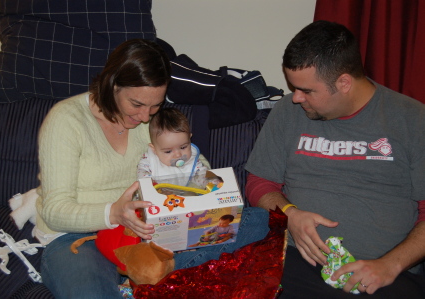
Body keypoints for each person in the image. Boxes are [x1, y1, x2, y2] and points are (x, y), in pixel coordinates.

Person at [245, 20, 425, 298]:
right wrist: (289, 213)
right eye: (295, 87)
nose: (296, 98)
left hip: (381, 274)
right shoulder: (287, 113)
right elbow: (259, 182)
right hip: (296, 262)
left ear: (344, 83)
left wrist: (390, 265)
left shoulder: (412, 120)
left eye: (307, 90)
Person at [35, 39, 171, 299]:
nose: (146, 117)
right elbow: (54, 211)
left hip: (140, 231)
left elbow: (186, 158)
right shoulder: (66, 120)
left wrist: (197, 181)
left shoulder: (150, 120)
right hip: (74, 237)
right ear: (112, 84)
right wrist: (114, 214)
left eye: (155, 105)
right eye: (137, 104)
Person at [137, 107, 209, 187]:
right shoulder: (150, 160)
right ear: (154, 149)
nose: (178, 155)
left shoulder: (192, 160)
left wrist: (209, 183)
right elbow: (142, 175)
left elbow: (203, 174)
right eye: (168, 151)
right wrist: (152, 186)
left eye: (183, 147)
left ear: (189, 139)